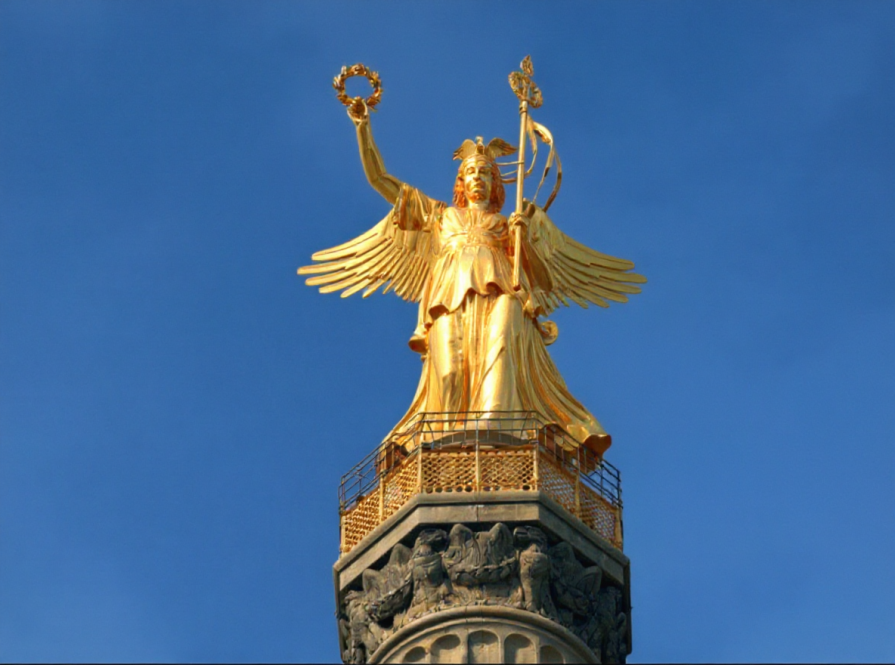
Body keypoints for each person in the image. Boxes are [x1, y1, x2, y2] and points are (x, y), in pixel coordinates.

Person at [300, 102, 645, 458]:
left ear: (496, 182)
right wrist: (362, 126)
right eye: (470, 172)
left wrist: (523, 237)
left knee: (501, 357)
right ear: (460, 182)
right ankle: (445, 453)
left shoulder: (510, 223)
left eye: (485, 172)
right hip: (447, 300)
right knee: (448, 373)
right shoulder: (438, 216)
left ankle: (495, 435)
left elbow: (541, 280)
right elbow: (380, 180)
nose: (477, 177)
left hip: (503, 295)